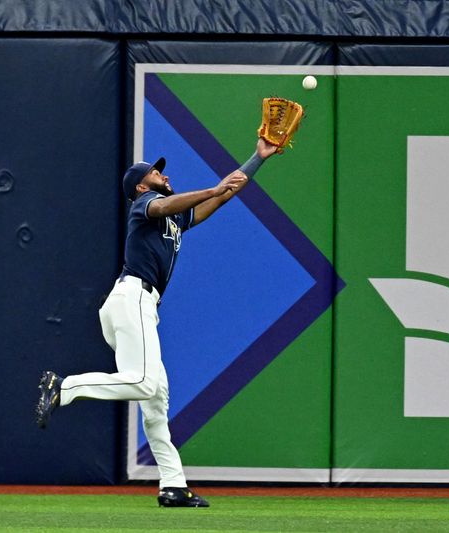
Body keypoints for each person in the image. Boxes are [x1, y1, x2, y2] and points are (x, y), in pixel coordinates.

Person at [35, 137, 279, 507]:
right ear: (140, 185)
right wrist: (211, 188)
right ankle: (64, 386)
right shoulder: (144, 204)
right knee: (144, 383)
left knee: (155, 401)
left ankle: (173, 485)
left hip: (133, 304)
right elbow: (167, 203)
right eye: (155, 171)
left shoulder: (175, 217)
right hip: (132, 297)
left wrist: (257, 158)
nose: (163, 174)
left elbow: (224, 194)